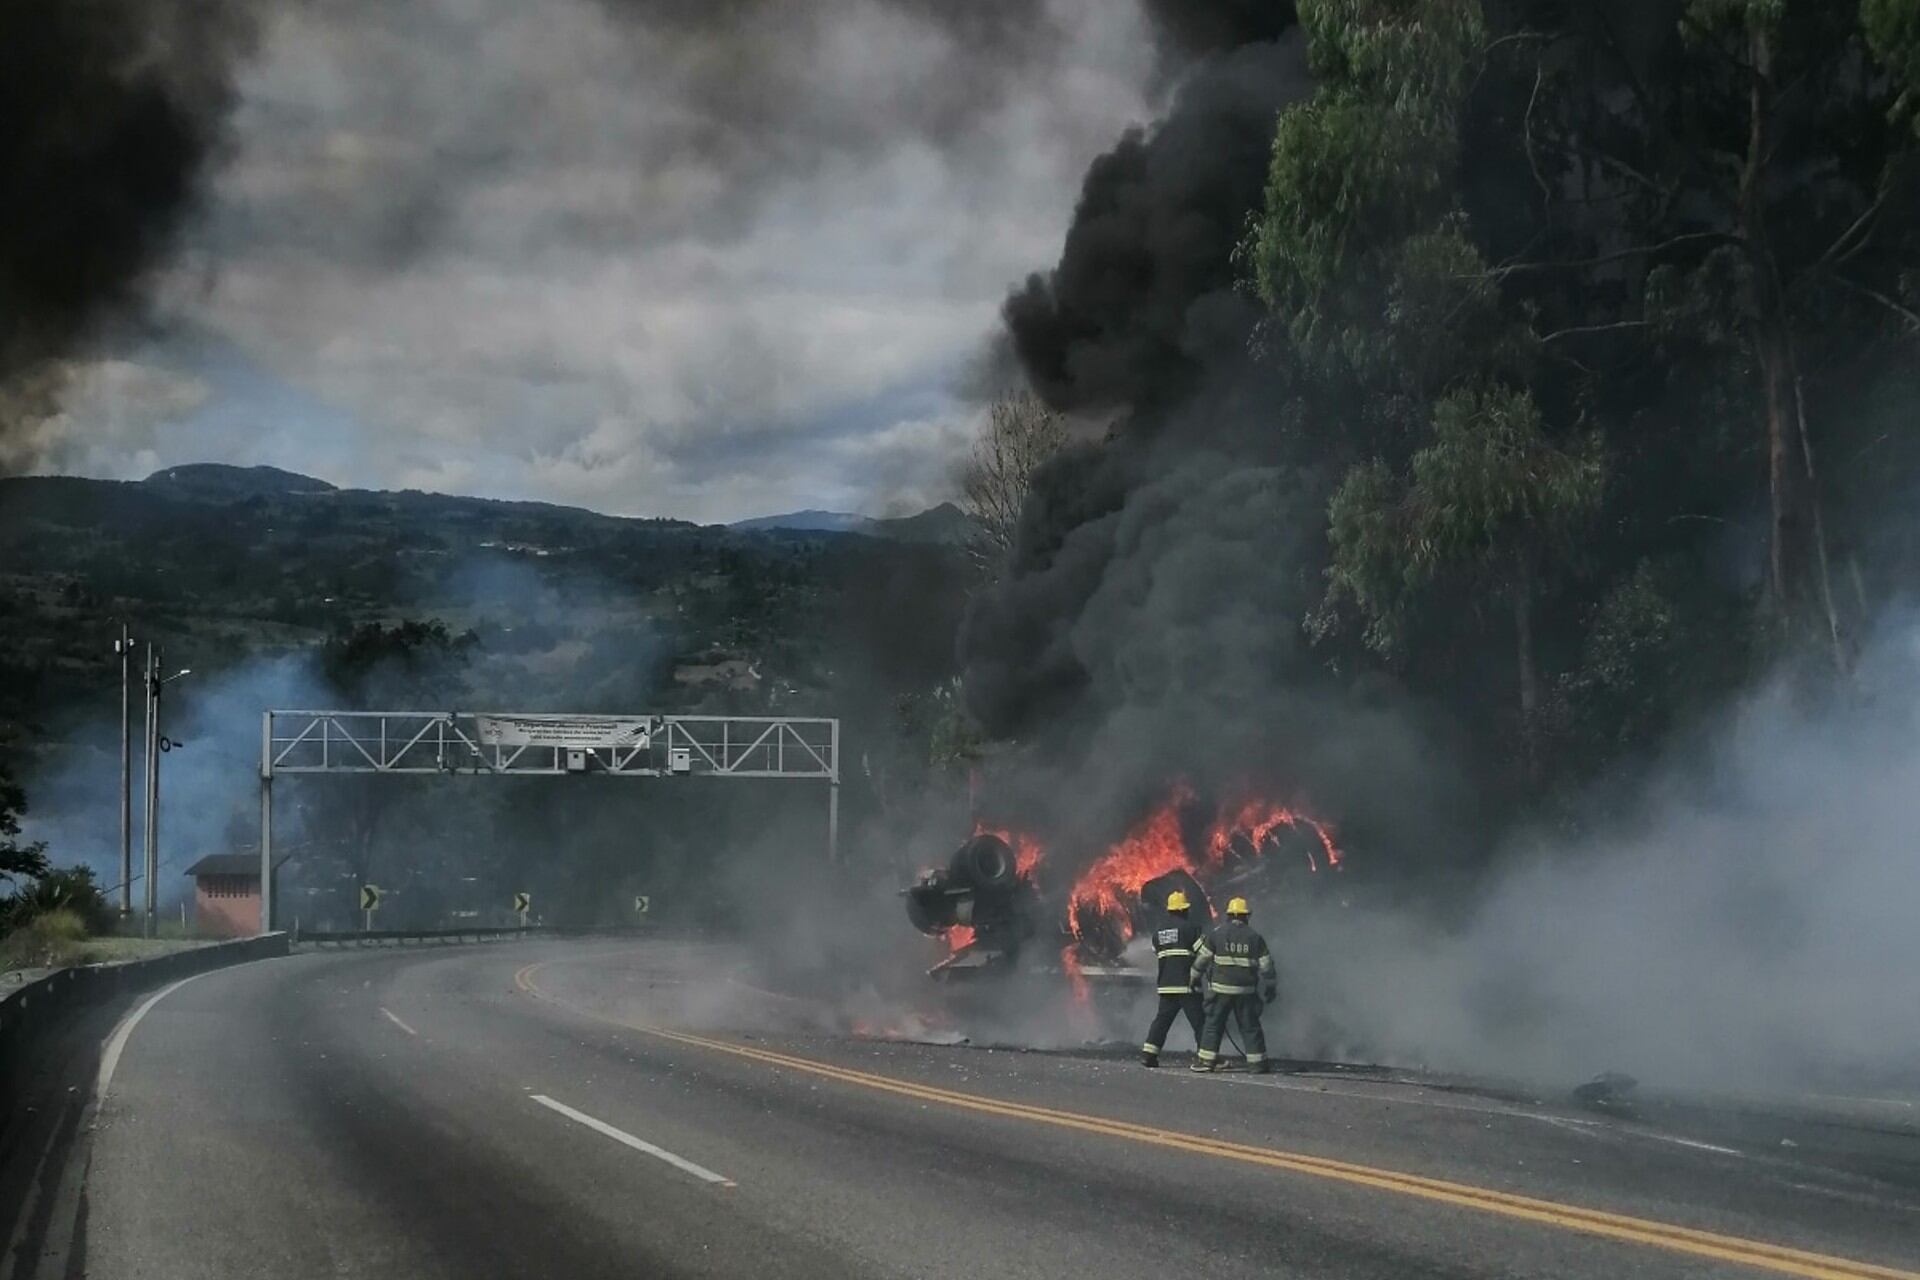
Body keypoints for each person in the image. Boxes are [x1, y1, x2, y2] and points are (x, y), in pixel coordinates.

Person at [1189, 896, 1277, 1074]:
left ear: (1229, 915)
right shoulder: (1255, 937)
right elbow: (1266, 966)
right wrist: (1270, 986)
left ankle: (1206, 1062)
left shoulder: (1217, 934)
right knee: (1250, 1027)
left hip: (1221, 990)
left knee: (1213, 1024)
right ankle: (1257, 1064)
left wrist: (1194, 978)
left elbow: (1202, 959)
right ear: (1245, 916)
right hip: (1246, 991)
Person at [1140, 890, 1204, 1067]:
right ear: (1184, 910)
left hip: (1166, 985)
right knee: (1200, 1023)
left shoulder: (1159, 932)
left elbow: (1156, 952)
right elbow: (1204, 953)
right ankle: (1206, 1057)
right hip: (1187, 985)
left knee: (1162, 1021)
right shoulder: (1191, 928)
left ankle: (1149, 1055)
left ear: (1169, 910)